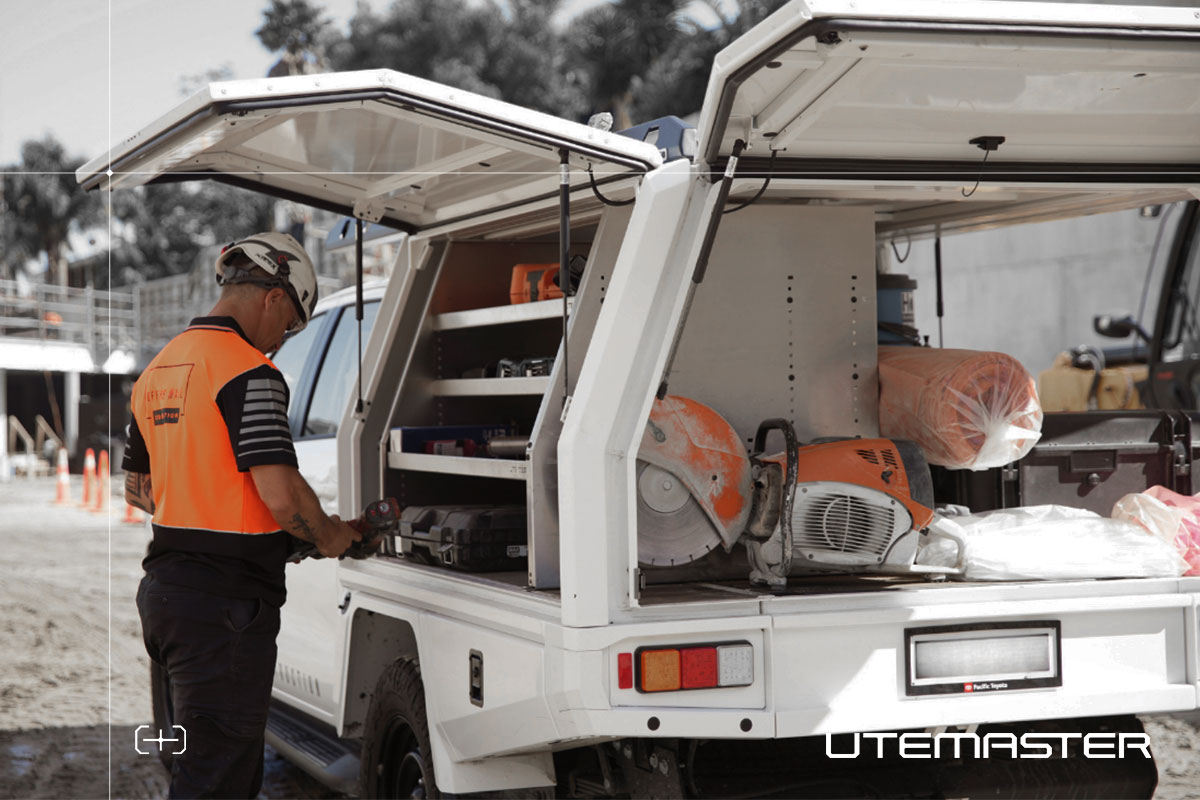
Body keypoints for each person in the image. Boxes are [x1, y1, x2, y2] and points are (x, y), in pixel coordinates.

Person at [123, 232, 361, 798]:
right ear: (274, 297)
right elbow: (282, 497)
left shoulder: (158, 369)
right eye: (290, 325)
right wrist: (331, 536)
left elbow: (138, 490)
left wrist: (224, 516)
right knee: (217, 781)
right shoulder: (249, 372)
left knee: (202, 767)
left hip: (167, 598)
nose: (281, 341)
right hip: (223, 610)